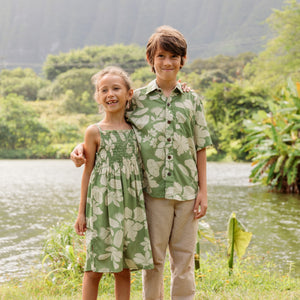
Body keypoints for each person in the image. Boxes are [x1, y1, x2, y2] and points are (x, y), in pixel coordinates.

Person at [72, 25, 212, 300]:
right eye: (161, 56)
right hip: (153, 192)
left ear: (183, 60)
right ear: (150, 60)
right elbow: (110, 122)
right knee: (154, 260)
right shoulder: (137, 99)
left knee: (183, 261)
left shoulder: (193, 100)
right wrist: (80, 147)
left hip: (186, 191)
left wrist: (203, 191)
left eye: (174, 56)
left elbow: (200, 148)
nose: (167, 62)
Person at [74, 66, 153, 300]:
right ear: (98, 97)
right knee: (94, 266)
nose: (110, 94)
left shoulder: (136, 130)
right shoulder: (94, 132)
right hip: (100, 207)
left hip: (130, 207)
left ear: (129, 93)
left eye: (116, 88)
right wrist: (81, 212)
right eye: (104, 90)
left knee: (124, 267)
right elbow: (86, 172)